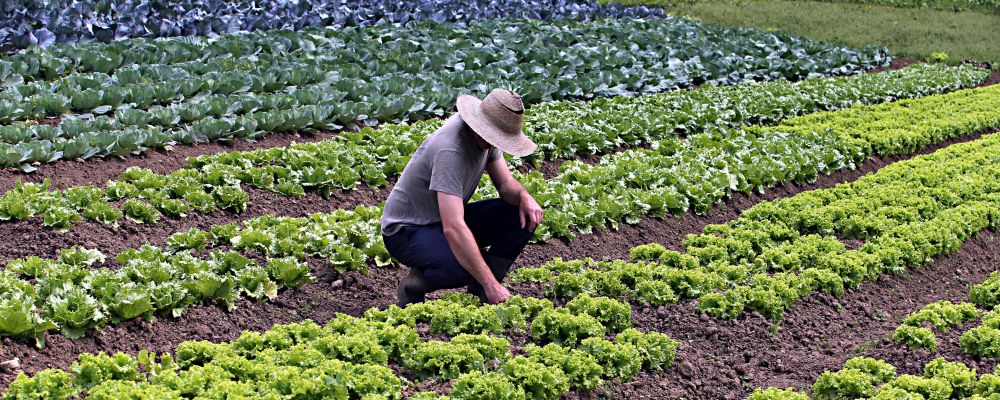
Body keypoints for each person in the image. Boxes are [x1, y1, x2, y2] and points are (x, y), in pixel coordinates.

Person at [380, 88, 544, 306]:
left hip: (442, 218)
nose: (496, 143)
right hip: (408, 230)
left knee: (520, 215)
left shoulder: (486, 137)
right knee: (463, 267)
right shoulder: (450, 150)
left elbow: (505, 184)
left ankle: (482, 295)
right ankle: (415, 284)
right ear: (480, 127)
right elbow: (453, 227)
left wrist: (524, 196)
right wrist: (489, 281)